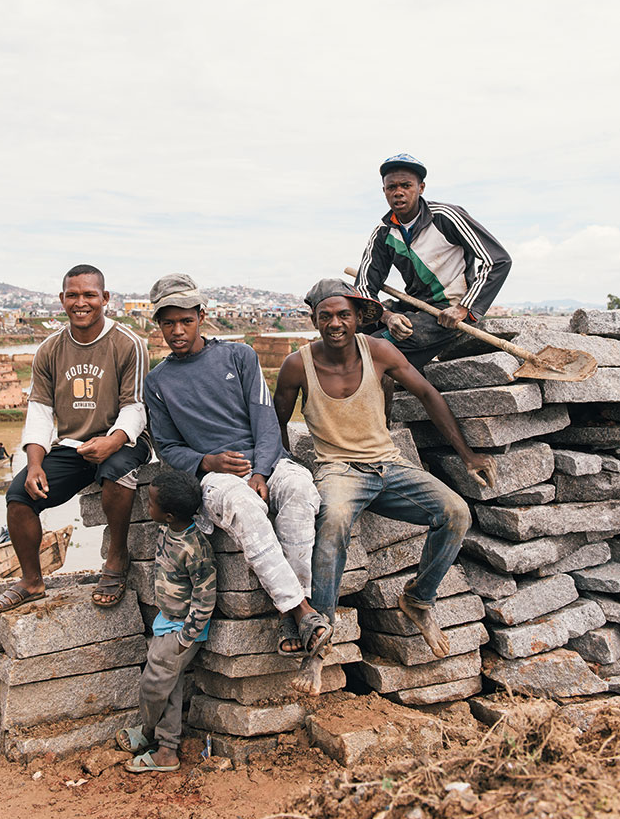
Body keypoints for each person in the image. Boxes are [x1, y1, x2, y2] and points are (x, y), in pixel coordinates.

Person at [274, 278, 497, 694]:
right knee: (334, 522)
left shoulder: (377, 350)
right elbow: (277, 425)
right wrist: (287, 472)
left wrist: (467, 455)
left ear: (358, 317)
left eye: (344, 314)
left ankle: (418, 599)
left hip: (388, 466)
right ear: (314, 320)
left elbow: (428, 393)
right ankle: (317, 644)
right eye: (326, 316)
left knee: (455, 513)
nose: (335, 323)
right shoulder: (295, 365)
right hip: (338, 470)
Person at [143, 273, 332, 662]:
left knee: (300, 490)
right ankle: (301, 611)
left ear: (202, 316)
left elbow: (265, 421)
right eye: (168, 323)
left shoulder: (238, 356)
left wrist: (261, 472)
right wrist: (206, 461)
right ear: (158, 324)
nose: (177, 331)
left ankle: (294, 612)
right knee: (244, 508)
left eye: (186, 321)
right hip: (213, 477)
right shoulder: (158, 382)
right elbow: (167, 447)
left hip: (265, 461)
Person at [0, 265, 152, 614]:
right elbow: (39, 411)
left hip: (125, 438)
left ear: (105, 299)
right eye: (73, 295)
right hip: (73, 444)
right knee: (18, 497)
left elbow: (135, 407)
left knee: (115, 471)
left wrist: (113, 441)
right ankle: (32, 581)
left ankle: (116, 560)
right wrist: (34, 464)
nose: (81, 303)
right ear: (62, 299)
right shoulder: (49, 349)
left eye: (89, 295)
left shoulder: (129, 344)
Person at [354, 154, 511, 371]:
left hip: (448, 311)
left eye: (406, 185)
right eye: (391, 187)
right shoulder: (383, 233)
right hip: (415, 304)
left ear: (421, 188)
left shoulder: (446, 217)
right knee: (352, 325)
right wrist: (387, 316)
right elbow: (363, 288)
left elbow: (498, 260)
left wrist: (464, 308)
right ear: (384, 191)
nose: (398, 192)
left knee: (374, 347)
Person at [118, 469, 216, 773]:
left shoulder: (195, 549)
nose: (147, 508)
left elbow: (205, 595)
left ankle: (153, 736)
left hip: (182, 629)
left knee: (154, 684)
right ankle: (164, 746)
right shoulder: (169, 530)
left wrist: (186, 637)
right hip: (167, 621)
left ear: (169, 514)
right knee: (168, 687)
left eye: (150, 504)